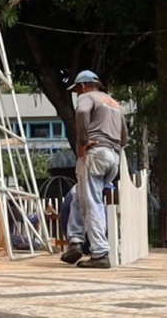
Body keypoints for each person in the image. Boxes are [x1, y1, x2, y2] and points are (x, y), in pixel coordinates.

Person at [60, 70, 127, 269]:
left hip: (95, 154)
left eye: (76, 91)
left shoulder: (87, 97)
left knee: (91, 202)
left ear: (82, 86)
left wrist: (82, 142)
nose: (76, 95)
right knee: (78, 197)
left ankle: (100, 253)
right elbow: (124, 135)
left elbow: (81, 113)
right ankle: (76, 242)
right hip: (112, 157)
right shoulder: (114, 103)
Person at [59, 181, 114, 259]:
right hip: (84, 238)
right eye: (106, 190)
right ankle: (99, 254)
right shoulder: (87, 192)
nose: (106, 192)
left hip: (76, 234)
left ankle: (76, 246)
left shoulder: (78, 190)